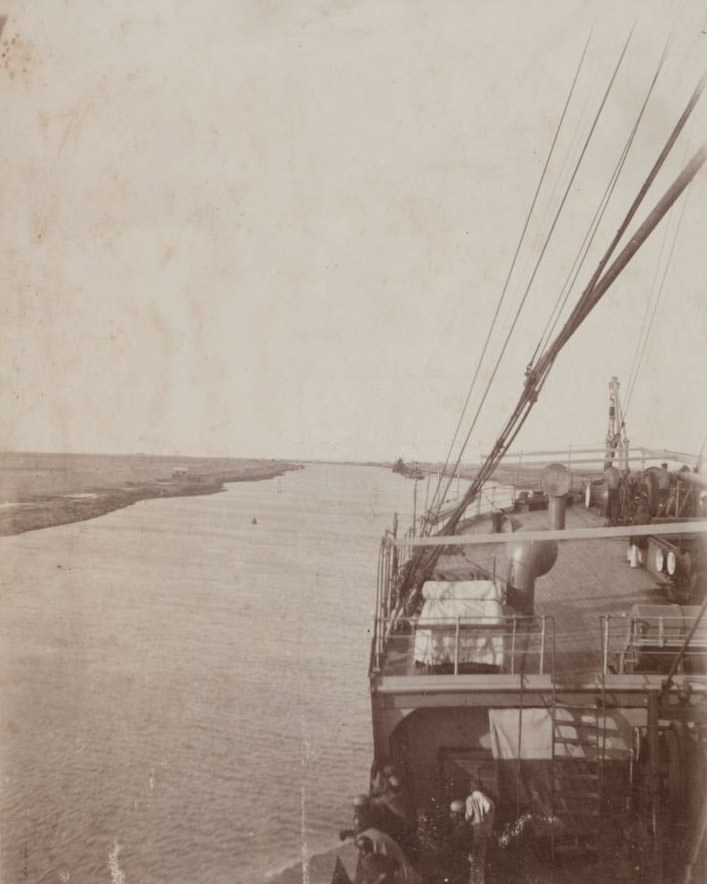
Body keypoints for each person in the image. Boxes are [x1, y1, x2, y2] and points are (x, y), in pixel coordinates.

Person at [465, 780, 495, 884]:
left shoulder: (470, 799)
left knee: (474, 859)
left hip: (475, 831)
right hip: (485, 832)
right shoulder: (489, 801)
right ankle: (481, 881)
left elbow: (468, 816)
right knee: (482, 859)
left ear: (472, 788)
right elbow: (491, 819)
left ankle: (474, 881)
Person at [445, 800, 474, 884]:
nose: (450, 816)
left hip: (461, 866)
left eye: (452, 814)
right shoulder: (466, 826)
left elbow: (453, 848)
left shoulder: (461, 830)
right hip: (464, 864)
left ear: (457, 815)